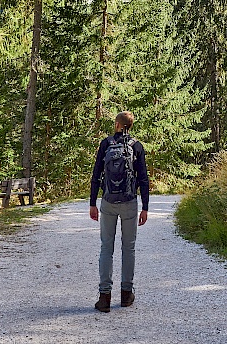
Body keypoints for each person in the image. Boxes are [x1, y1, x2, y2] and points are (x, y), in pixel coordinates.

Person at [89, 110, 149, 312]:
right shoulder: (137, 146)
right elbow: (143, 179)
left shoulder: (106, 144)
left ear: (116, 124)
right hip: (130, 203)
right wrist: (146, 207)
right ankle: (126, 295)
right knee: (128, 248)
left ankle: (104, 297)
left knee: (107, 247)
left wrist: (92, 203)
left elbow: (96, 174)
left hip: (108, 202)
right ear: (130, 126)